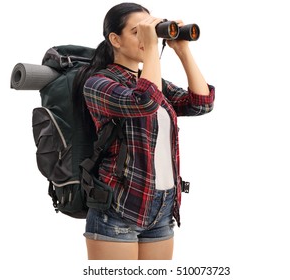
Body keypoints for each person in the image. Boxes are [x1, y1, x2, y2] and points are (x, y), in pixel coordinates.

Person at [72, 2, 215, 260]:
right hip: (118, 208)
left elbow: (200, 104)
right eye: (138, 32)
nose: (147, 38)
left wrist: (182, 51)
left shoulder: (151, 81)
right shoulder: (98, 83)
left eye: (150, 31)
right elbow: (144, 102)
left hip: (161, 208)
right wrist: (151, 49)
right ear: (115, 39)